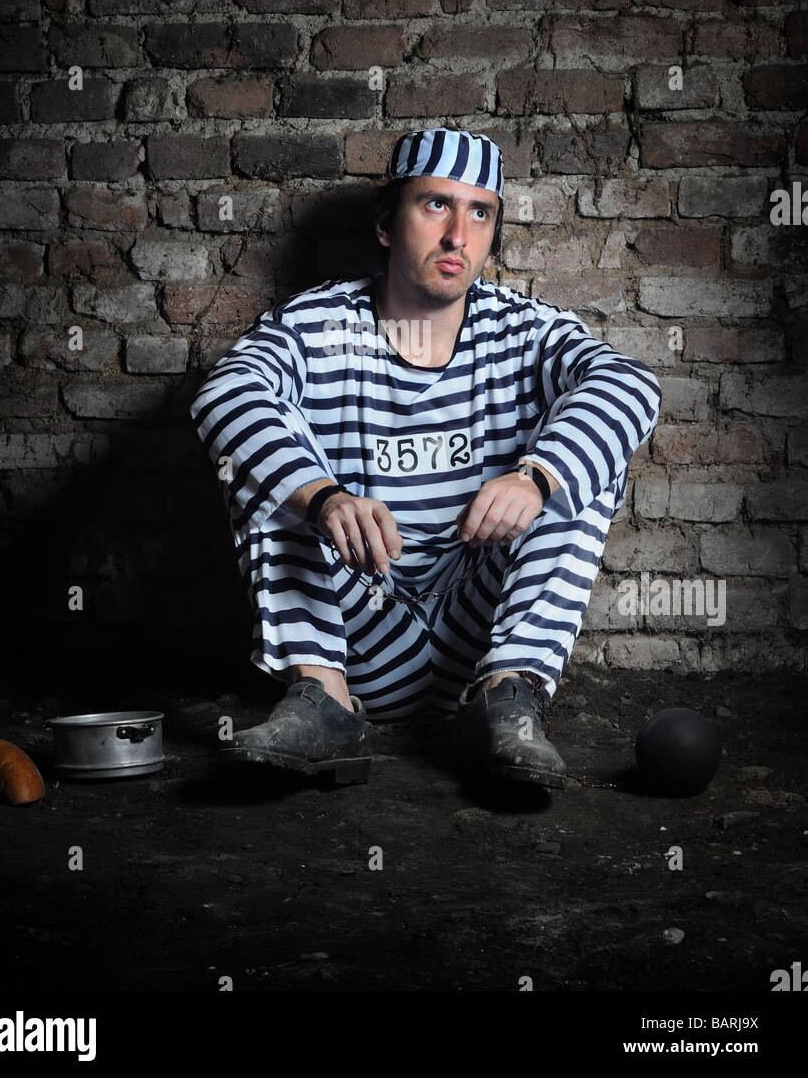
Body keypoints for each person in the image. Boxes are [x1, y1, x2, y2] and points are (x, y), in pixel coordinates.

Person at [189, 129, 662, 791]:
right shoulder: (315, 325)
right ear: (386, 224)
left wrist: (535, 477)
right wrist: (323, 498)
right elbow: (225, 396)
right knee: (261, 456)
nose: (457, 237)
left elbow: (630, 384)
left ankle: (506, 706)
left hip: (481, 642)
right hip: (358, 628)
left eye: (479, 213)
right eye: (435, 206)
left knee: (584, 457)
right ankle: (323, 709)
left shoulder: (525, 330)